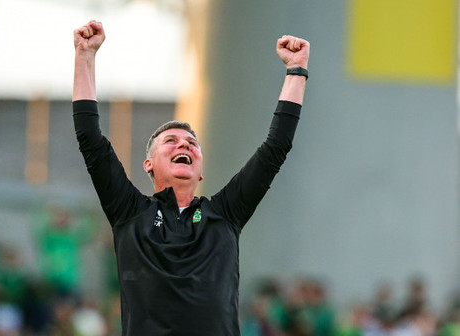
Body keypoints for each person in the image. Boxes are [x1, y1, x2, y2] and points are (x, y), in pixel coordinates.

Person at [72, 19, 309, 336]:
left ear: (200, 171)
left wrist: (296, 70)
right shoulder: (129, 213)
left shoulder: (225, 214)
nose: (183, 143)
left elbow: (276, 147)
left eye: (192, 143)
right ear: (149, 164)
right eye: (170, 141)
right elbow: (90, 140)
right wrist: (85, 56)